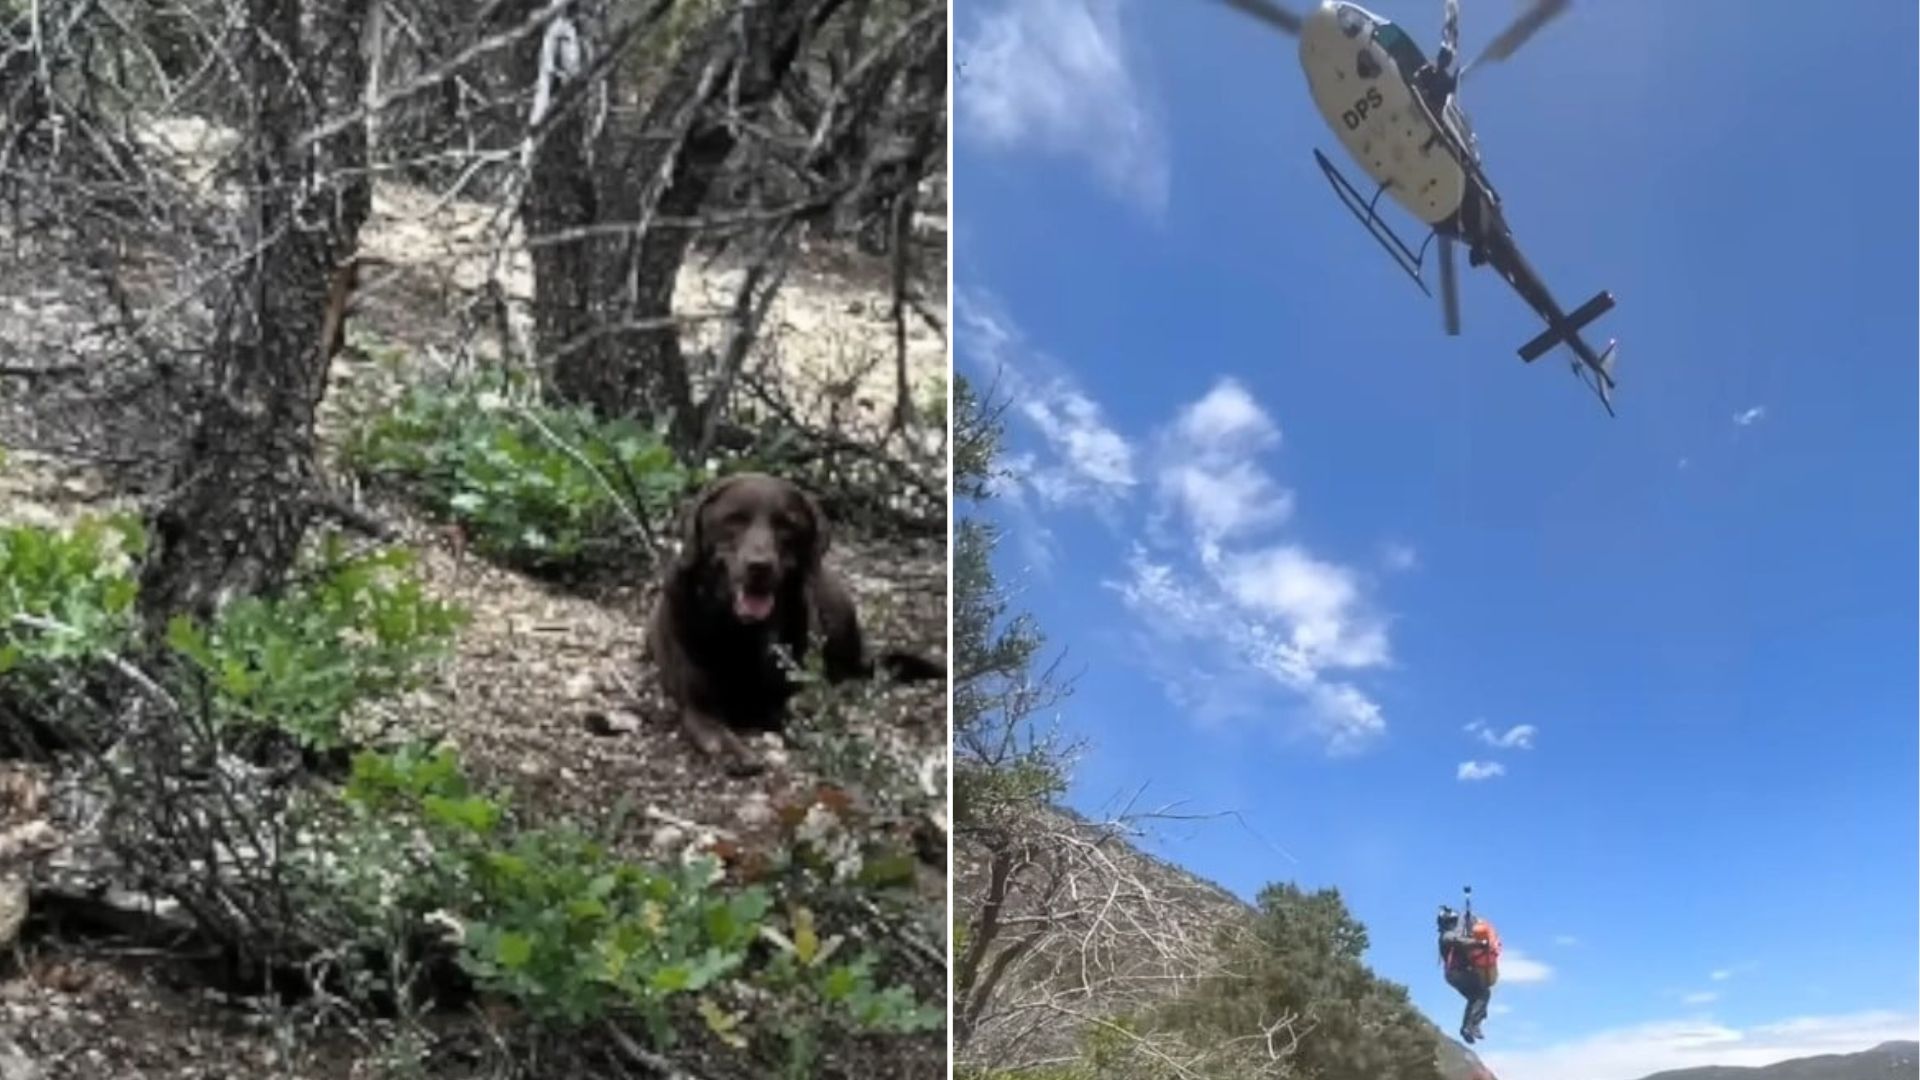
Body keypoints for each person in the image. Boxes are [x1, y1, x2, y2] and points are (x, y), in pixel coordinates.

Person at [1437, 905, 1496, 1044]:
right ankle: (1471, 1026)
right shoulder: (1447, 936)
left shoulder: (1449, 934)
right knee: (1482, 994)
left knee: (1475, 998)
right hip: (1458, 974)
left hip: (1455, 975)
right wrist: (1479, 943)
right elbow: (1460, 941)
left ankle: (1469, 1026)